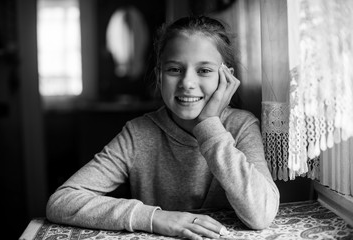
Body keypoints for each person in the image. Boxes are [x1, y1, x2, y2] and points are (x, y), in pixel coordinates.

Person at [46, 15, 280, 240]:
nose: (187, 83)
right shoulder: (138, 134)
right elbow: (62, 202)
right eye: (174, 70)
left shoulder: (242, 126)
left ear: (226, 78)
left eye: (204, 70)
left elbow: (261, 214)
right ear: (159, 76)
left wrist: (210, 126)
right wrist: (154, 218)